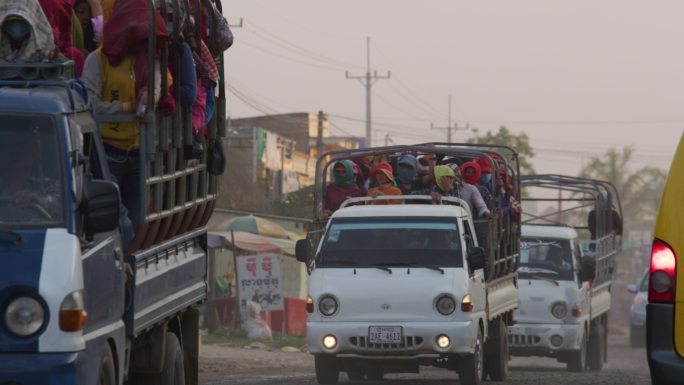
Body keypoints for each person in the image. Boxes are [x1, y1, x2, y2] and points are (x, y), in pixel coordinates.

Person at [81, 0, 168, 230]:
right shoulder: (97, 60)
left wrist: (151, 95)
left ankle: (129, 263)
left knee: (138, 222)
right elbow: (90, 104)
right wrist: (127, 107)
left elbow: (156, 87)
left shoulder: (147, 59)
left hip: (139, 154)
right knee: (113, 224)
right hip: (107, 154)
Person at [0, 132, 61, 221]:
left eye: (24, 149)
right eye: (11, 149)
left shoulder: (50, 186)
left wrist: (39, 201)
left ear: (34, 154)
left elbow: (64, 207)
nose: (18, 155)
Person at [412, 165, 491, 219]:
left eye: (451, 177)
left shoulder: (456, 193)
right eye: (446, 177)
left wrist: (447, 192)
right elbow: (411, 196)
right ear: (438, 178)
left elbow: (458, 209)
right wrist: (430, 195)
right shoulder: (429, 191)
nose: (450, 180)